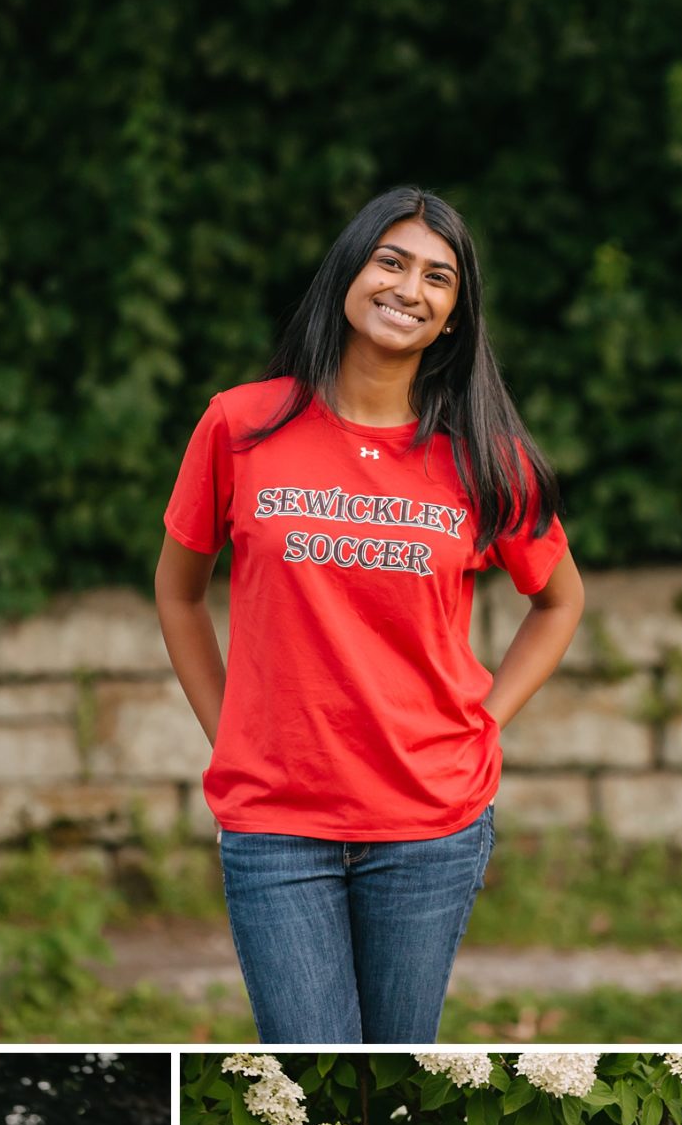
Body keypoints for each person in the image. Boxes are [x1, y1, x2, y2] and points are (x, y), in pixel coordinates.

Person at [156, 184, 585, 1042]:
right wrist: (229, 731)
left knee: (396, 1080)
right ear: (349, 273)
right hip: (277, 823)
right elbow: (178, 590)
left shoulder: (485, 456)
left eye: (438, 277)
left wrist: (484, 723)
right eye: (391, 260)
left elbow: (561, 601)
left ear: (455, 317)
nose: (408, 288)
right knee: (311, 1075)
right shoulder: (240, 426)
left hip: (428, 821)